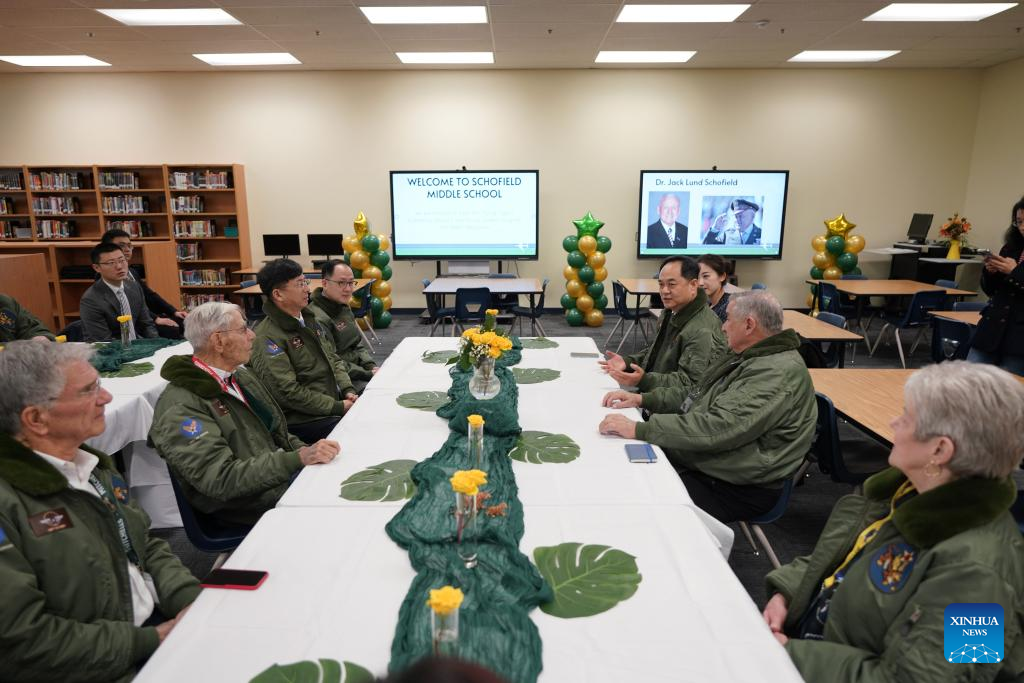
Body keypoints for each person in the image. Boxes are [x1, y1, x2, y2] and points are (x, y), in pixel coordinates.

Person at [763, 361, 1024, 683]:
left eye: (906, 417)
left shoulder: (983, 576)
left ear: (940, 450)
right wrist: (789, 594)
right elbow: (842, 560)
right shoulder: (906, 495)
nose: (893, 423)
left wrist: (789, 654)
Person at [0, 342, 200, 682]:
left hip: (149, 626)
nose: (106, 398)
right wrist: (150, 640)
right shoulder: (11, 502)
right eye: (88, 390)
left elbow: (144, 542)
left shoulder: (90, 465)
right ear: (36, 419)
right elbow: (23, 640)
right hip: (106, 662)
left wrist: (188, 598)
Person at [599, 291, 816, 523]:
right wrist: (643, 399)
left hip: (739, 485)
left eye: (728, 319)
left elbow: (717, 428)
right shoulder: (747, 355)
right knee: (624, 471)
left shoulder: (773, 373)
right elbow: (696, 394)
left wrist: (640, 429)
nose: (723, 327)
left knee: (640, 500)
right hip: (718, 463)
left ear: (749, 325)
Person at [150, 302, 339, 525]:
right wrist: (297, 459)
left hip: (275, 482)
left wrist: (307, 451)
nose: (252, 335)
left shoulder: (239, 376)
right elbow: (220, 479)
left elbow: (278, 434)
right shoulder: (181, 406)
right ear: (218, 341)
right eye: (243, 330)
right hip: (247, 507)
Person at [249, 258, 358, 443]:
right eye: (300, 284)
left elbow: (333, 358)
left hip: (332, 401)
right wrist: (337, 407)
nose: (308, 289)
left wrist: (348, 389)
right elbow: (288, 393)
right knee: (362, 431)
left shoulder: (308, 319)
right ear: (278, 294)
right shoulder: (267, 338)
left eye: (305, 281)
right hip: (303, 419)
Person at [599, 256, 726, 398]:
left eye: (671, 284)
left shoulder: (702, 330)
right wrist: (627, 362)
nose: (664, 291)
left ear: (693, 285)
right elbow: (658, 353)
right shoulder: (672, 312)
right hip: (657, 399)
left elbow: (690, 386)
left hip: (676, 408)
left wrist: (644, 382)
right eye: (661, 284)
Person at [968, 196, 1024, 376]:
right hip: (992, 327)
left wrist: (1015, 272)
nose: (1022, 227)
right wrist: (991, 272)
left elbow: (1016, 278)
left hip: (1019, 338)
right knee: (969, 380)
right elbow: (992, 291)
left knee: (1009, 387)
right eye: (1019, 222)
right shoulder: (1011, 248)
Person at [101, 229, 187, 339]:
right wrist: (156, 319)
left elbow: (150, 295)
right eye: (121, 246)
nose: (127, 249)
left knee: (183, 321)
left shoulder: (132, 271)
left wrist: (174, 311)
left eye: (129, 246)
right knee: (171, 330)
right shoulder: (106, 277)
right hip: (130, 322)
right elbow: (128, 305)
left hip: (147, 316)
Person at [309, 259, 378, 393]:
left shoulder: (343, 307)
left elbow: (356, 344)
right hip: (340, 380)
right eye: (341, 283)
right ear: (325, 283)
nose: (348, 289)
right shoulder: (317, 318)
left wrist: (370, 365)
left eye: (351, 283)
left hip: (358, 371)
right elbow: (333, 362)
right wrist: (367, 374)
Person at [80, 241, 158, 342]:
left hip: (138, 345)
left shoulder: (134, 287)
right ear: (97, 268)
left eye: (122, 260)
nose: (119, 266)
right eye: (111, 263)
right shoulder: (91, 300)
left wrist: (156, 344)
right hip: (111, 349)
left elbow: (147, 324)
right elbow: (103, 341)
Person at [697, 253, 732, 323]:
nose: (700, 283)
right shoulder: (703, 304)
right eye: (697, 277)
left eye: (706, 276)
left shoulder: (729, 307)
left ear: (722, 276)